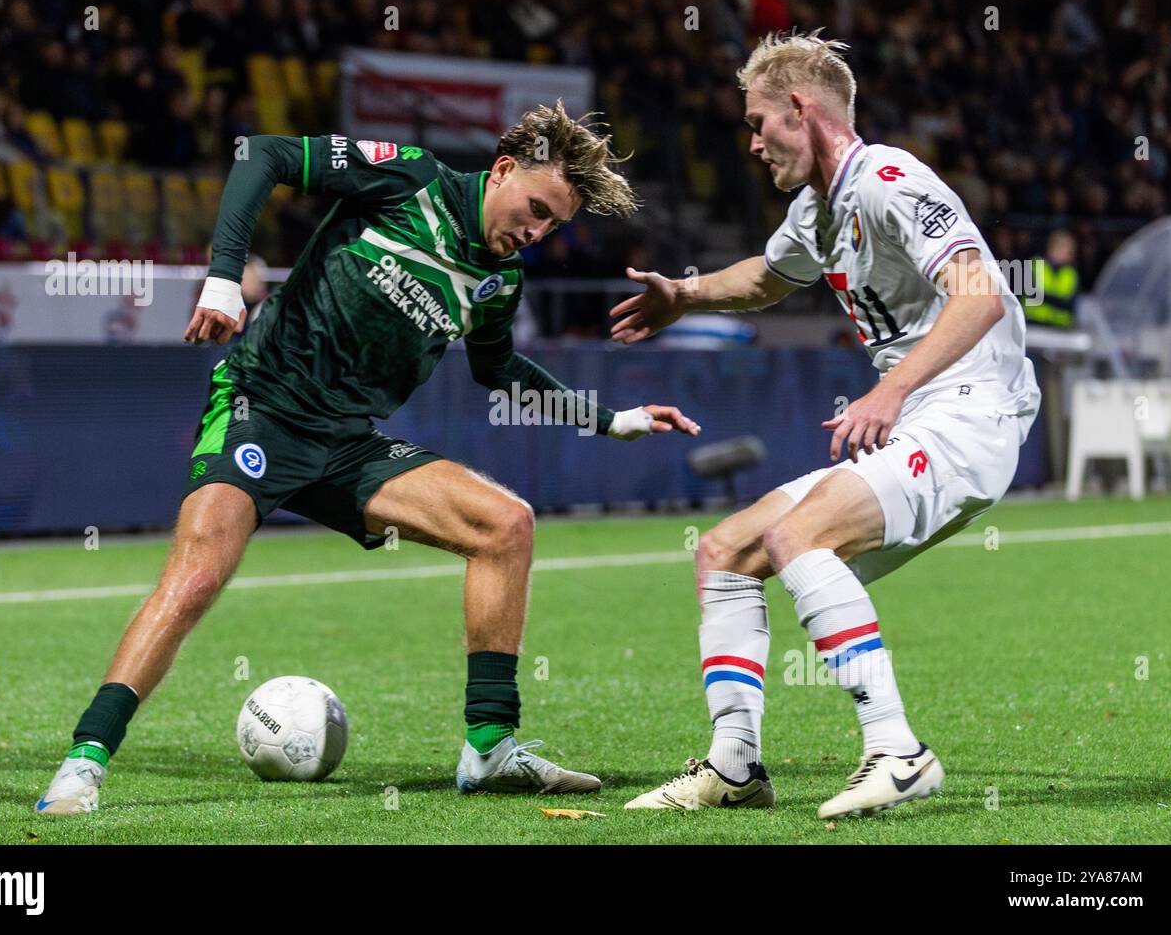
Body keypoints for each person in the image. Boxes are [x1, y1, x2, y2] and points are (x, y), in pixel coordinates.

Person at [36, 101, 700, 814]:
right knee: (196, 575)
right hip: (263, 405)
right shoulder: (409, 180)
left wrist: (613, 421)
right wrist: (225, 275)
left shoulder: (499, 281)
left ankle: (490, 748)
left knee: (507, 525)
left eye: (552, 226)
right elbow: (264, 153)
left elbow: (499, 369)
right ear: (503, 170)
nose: (535, 232)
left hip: (348, 440)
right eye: (535, 208)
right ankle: (85, 760)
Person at [613, 31, 1040, 818]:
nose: (751, 143)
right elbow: (768, 278)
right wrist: (686, 291)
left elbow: (980, 294)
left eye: (757, 122)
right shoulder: (819, 208)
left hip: (971, 413)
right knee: (726, 551)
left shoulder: (887, 180)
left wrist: (889, 393)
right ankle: (734, 766)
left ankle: (898, 750)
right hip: (923, 416)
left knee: (795, 537)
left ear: (800, 110)